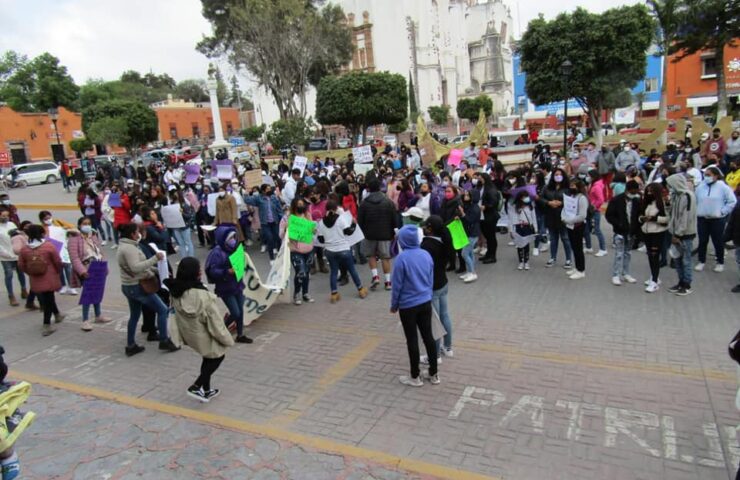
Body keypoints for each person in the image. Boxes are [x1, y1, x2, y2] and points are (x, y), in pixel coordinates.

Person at [164, 257, 234, 403]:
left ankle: (207, 390)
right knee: (218, 356)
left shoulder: (176, 289)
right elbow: (215, 323)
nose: (201, 271)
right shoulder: (203, 295)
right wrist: (226, 339)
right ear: (194, 273)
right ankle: (196, 386)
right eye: (198, 269)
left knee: (207, 356)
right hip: (204, 332)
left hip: (189, 333)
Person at [117, 223, 179, 356]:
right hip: (137, 286)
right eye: (137, 232)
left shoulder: (127, 246)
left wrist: (158, 270)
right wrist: (155, 259)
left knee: (134, 315)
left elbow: (140, 266)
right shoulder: (130, 249)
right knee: (162, 309)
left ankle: (131, 345)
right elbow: (136, 267)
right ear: (133, 234)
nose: (139, 234)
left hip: (129, 286)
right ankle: (164, 340)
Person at [391, 225, 438, 387]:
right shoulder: (426, 255)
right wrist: (428, 295)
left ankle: (415, 376)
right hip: (425, 302)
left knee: (412, 340)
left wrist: (394, 305)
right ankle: (434, 374)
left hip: (408, 306)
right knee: (428, 337)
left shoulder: (401, 259)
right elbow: (430, 278)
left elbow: (397, 286)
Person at [204, 225, 253, 344]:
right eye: (230, 238)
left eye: (234, 237)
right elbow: (212, 271)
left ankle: (240, 334)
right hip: (225, 287)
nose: (234, 240)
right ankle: (221, 330)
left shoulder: (236, 248)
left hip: (237, 285)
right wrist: (227, 271)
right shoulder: (217, 253)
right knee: (235, 312)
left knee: (240, 311)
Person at [316, 200, 368, 303]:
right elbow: (348, 232)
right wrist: (353, 224)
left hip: (330, 251)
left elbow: (321, 239)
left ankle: (334, 294)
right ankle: (361, 289)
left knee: (334, 272)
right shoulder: (340, 219)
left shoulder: (321, 222)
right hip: (343, 249)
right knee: (352, 270)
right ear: (336, 209)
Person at [17, 224, 65, 336]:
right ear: (42, 234)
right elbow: (57, 261)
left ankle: (57, 314)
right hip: (49, 277)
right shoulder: (49, 246)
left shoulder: (25, 249)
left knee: (47, 297)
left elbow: (21, 265)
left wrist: (30, 273)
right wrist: (57, 271)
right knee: (48, 300)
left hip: (35, 278)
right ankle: (46, 324)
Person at [67, 217, 111, 331]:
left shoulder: (93, 236)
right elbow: (74, 258)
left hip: (98, 266)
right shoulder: (74, 239)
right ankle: (85, 320)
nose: (87, 225)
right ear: (79, 225)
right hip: (86, 267)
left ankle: (98, 315)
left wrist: (105, 265)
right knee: (87, 294)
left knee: (97, 291)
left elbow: (100, 251)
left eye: (89, 223)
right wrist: (82, 271)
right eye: (84, 224)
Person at [420, 215, 453, 363]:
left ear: (430, 229)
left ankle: (435, 356)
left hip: (432, 287)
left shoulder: (427, 245)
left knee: (434, 321)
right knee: (445, 315)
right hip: (443, 283)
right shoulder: (445, 241)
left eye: (426, 226)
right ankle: (448, 347)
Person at [694, 165, 737, 273]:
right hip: (702, 218)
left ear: (716, 176)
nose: (706, 177)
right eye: (705, 175)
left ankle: (720, 262)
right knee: (703, 240)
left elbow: (732, 201)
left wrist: (723, 211)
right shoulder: (700, 187)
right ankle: (701, 261)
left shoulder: (723, 187)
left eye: (709, 175)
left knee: (718, 241)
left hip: (717, 220)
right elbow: (695, 200)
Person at [357, 179, 397, 290]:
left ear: (368, 189)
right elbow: (394, 218)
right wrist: (394, 232)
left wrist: (364, 232)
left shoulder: (364, 203)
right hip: (385, 234)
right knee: (385, 257)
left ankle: (375, 276)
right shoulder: (388, 202)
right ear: (380, 188)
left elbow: (360, 220)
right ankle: (388, 282)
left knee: (371, 255)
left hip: (369, 234)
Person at [666, 174, 698, 296]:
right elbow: (674, 214)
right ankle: (680, 282)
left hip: (685, 235)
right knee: (677, 260)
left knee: (686, 260)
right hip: (675, 233)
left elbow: (685, 218)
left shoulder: (688, 196)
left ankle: (687, 284)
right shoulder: (677, 196)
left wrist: (678, 234)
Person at [279, 197, 315, 305]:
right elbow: (281, 235)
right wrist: (285, 229)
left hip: (309, 249)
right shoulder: (287, 218)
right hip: (295, 250)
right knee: (301, 272)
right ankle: (296, 294)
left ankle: (305, 293)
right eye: (298, 204)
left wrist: (313, 228)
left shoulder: (308, 216)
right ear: (294, 206)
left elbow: (313, 231)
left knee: (306, 273)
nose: (301, 206)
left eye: (302, 204)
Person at [605, 180, 641, 286]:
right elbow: (609, 215)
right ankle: (616, 275)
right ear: (628, 190)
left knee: (628, 253)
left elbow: (638, 214)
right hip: (620, 232)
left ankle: (626, 273)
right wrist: (618, 224)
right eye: (633, 191)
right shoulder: (616, 200)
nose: (634, 194)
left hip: (631, 232)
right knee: (619, 254)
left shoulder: (637, 201)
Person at [639, 183, 670, 293]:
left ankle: (654, 281)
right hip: (647, 231)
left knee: (654, 256)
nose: (649, 193)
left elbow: (667, 219)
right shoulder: (647, 202)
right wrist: (642, 219)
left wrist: (654, 218)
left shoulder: (663, 203)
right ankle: (654, 276)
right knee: (650, 256)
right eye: (648, 191)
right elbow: (640, 215)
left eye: (651, 191)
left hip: (658, 232)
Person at [540, 168, 573, 269]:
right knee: (553, 238)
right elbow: (541, 198)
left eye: (560, 174)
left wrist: (562, 203)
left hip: (563, 216)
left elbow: (573, 200)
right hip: (550, 215)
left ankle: (568, 259)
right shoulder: (547, 188)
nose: (558, 176)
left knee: (565, 238)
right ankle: (552, 258)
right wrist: (548, 203)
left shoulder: (568, 188)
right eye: (556, 174)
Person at [243, 184, 284, 262]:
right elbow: (247, 200)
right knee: (270, 239)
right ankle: (271, 258)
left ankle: (279, 253)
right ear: (263, 191)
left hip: (275, 222)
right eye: (267, 189)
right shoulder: (259, 198)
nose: (269, 190)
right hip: (265, 224)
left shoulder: (274, 198)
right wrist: (246, 193)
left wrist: (284, 219)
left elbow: (279, 210)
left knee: (278, 238)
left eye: (270, 188)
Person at [562, 179, 589, 280]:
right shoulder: (571, 197)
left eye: (573, 186)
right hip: (570, 225)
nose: (571, 187)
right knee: (574, 247)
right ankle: (577, 267)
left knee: (578, 248)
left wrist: (570, 220)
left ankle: (581, 270)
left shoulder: (582, 198)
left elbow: (582, 216)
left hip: (578, 226)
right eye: (570, 185)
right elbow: (566, 209)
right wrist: (564, 218)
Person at [0, 209, 27, 307]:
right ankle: (11, 296)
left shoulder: (12, 225)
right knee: (9, 275)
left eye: (7, 215)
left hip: (17, 254)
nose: (5, 217)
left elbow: (18, 237)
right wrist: (7, 254)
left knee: (21, 273)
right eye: (3, 216)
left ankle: (24, 290)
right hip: (6, 257)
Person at [510, 191, 537, 271]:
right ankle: (521, 261)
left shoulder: (530, 206)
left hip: (527, 227)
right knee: (519, 244)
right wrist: (511, 230)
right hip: (518, 227)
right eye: (524, 197)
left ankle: (526, 261)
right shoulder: (515, 207)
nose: (526, 199)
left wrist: (535, 228)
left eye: (527, 197)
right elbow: (511, 219)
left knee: (526, 244)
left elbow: (533, 217)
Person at [459, 189, 481, 283]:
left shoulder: (475, 208)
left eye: (468, 195)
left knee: (464, 253)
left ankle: (472, 273)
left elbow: (470, 220)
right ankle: (469, 271)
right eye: (465, 195)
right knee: (470, 253)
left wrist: (462, 213)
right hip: (468, 233)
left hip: (472, 234)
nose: (465, 196)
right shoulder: (469, 206)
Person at [478, 172, 500, 264]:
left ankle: (492, 256)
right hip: (482, 215)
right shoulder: (482, 187)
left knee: (491, 237)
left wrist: (486, 206)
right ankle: (488, 253)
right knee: (487, 235)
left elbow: (494, 202)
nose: (480, 180)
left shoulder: (491, 189)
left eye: (481, 178)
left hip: (490, 215)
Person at [585, 169, 608, 257]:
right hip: (590, 209)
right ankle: (588, 247)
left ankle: (603, 249)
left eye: (588, 176)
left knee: (597, 230)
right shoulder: (593, 184)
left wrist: (594, 206)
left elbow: (601, 199)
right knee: (587, 229)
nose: (587, 177)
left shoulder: (596, 186)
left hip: (594, 210)